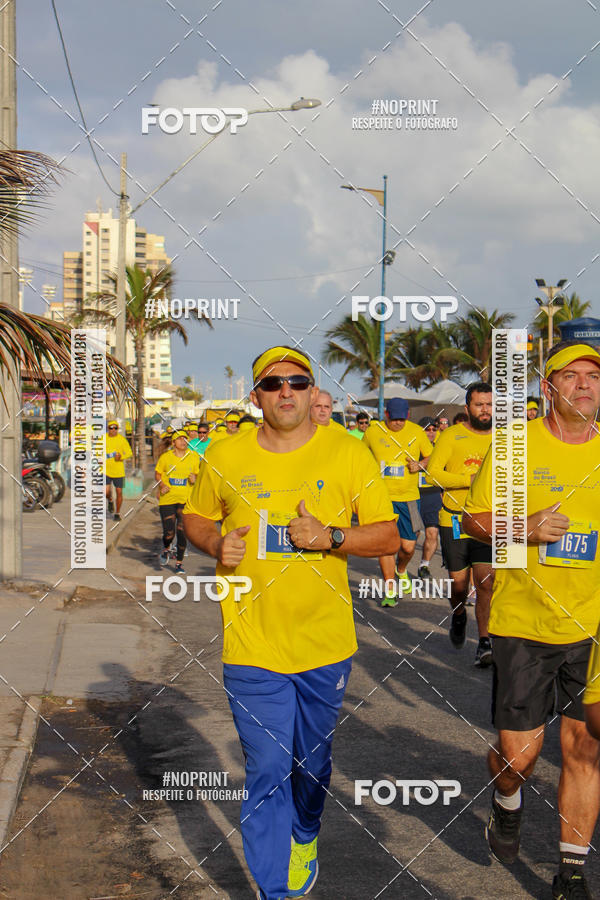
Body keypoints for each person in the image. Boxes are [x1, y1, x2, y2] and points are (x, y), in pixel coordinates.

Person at [183, 345, 398, 900]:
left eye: (298, 382)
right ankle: (273, 889)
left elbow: (387, 535)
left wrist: (331, 536)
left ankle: (305, 832)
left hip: (325, 643)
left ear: (312, 391)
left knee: (312, 764)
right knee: (268, 765)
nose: (286, 391)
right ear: (256, 396)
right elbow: (195, 516)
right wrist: (215, 543)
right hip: (252, 644)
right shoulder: (225, 455)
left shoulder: (348, 453)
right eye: (273, 383)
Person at [464, 342, 600, 899]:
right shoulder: (514, 447)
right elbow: (472, 521)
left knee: (585, 750)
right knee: (520, 757)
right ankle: (507, 798)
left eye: (593, 376)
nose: (585, 385)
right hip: (524, 622)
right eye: (572, 376)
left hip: (591, 628)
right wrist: (525, 526)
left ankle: (571, 872)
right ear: (548, 388)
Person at [426, 382, 494, 666]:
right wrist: (470, 480)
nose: (485, 410)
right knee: (459, 584)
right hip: (454, 519)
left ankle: (485, 642)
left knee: (486, 581)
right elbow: (432, 475)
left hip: (488, 521)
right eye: (479, 405)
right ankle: (458, 614)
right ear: (468, 408)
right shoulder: (451, 435)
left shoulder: (503, 438)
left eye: (489, 404)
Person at [362, 397, 432, 605]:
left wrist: (420, 465)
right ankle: (390, 590)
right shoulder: (373, 432)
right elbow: (360, 456)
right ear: (386, 415)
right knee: (386, 545)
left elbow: (431, 456)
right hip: (382, 498)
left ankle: (401, 570)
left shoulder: (417, 432)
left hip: (409, 498)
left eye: (402, 419)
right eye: (394, 419)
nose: (398, 423)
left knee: (408, 547)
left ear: (408, 415)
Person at [155, 429, 200, 574]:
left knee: (182, 532)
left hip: (186, 500)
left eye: (185, 439)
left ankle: (179, 564)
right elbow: (158, 474)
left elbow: (198, 475)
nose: (183, 441)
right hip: (168, 499)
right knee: (169, 533)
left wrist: (195, 478)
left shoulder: (193, 457)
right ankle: (166, 548)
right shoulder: (166, 457)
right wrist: (162, 485)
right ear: (174, 442)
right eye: (180, 439)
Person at [416, 417, 442, 579]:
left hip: (433, 495)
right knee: (413, 536)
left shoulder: (440, 449)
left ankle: (424, 566)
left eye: (434, 429)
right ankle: (401, 563)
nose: (431, 432)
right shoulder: (412, 447)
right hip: (414, 496)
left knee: (432, 533)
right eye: (427, 429)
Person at [104, 419, 132, 521]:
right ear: (108, 429)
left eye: (115, 428)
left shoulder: (122, 439)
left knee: (119, 491)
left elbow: (129, 453)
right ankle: (110, 500)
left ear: (117, 429)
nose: (113, 430)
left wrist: (121, 457)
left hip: (118, 471)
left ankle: (117, 513)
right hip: (105, 470)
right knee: (106, 492)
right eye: (111, 428)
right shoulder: (103, 438)